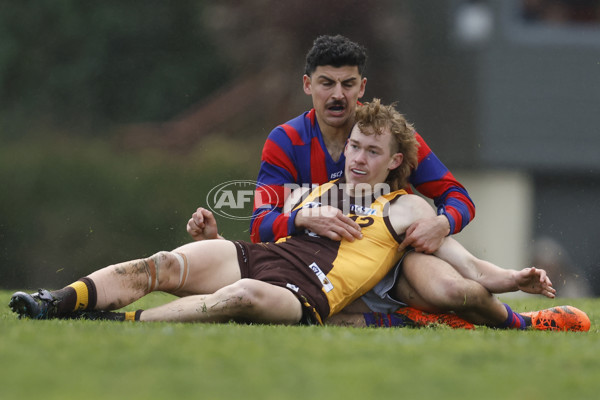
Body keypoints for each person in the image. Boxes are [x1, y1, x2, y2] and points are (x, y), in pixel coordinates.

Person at [9, 99, 589, 332]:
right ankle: (56, 302)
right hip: (259, 258)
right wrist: (221, 234)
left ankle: (123, 326)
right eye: (354, 147)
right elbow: (265, 229)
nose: (357, 158)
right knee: (164, 262)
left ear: (394, 162)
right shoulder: (316, 187)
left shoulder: (409, 205)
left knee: (241, 300)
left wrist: (513, 279)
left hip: (308, 291)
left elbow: (465, 263)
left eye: (371, 152)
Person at [188, 34, 476, 329]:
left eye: (348, 84)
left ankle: (513, 313)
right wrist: (302, 219)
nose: (338, 95)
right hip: (315, 274)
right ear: (307, 84)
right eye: (327, 83)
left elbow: (457, 197)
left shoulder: (393, 138)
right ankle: (394, 319)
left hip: (393, 269)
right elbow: (261, 225)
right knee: (266, 289)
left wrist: (442, 224)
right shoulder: (285, 141)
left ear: (361, 86)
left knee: (452, 289)